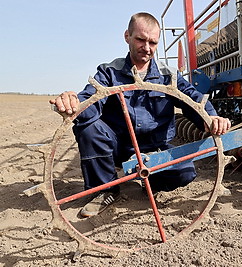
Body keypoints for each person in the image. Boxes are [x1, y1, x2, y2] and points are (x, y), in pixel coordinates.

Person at [49, 12, 231, 217]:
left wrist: (211, 118)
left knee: (185, 172)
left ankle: (151, 183)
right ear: (127, 36)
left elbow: (192, 98)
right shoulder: (110, 72)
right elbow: (91, 99)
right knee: (88, 127)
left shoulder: (168, 75)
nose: (147, 48)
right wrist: (74, 103)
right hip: (117, 145)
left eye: (153, 42)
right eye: (140, 39)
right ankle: (105, 190)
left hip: (154, 148)